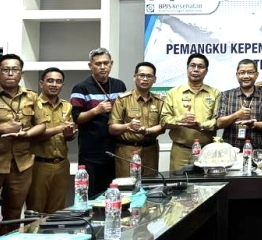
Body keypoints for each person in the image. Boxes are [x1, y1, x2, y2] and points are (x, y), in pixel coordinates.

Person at [0, 54, 44, 220]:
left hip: (22, 164)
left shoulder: (33, 97)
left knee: (14, 213)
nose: (11, 73)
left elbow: (41, 124)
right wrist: (1, 128)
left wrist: (26, 134)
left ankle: (9, 238)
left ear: (22, 74)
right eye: (5, 70)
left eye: (15, 69)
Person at [70, 48, 127, 198]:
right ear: (90, 66)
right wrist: (96, 110)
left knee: (113, 193)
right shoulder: (81, 88)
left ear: (111, 64)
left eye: (106, 63)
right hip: (91, 151)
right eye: (98, 64)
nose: (102, 67)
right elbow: (76, 118)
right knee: (91, 195)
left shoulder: (119, 85)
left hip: (115, 149)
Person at [27, 68, 77, 213]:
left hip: (61, 164)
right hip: (39, 164)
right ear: (41, 83)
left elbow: (68, 137)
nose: (54, 84)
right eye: (50, 81)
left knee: (57, 211)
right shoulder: (32, 104)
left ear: (62, 85)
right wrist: (59, 128)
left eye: (58, 81)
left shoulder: (67, 106)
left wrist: (69, 134)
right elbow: (33, 135)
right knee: (35, 210)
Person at [161, 53, 221, 171]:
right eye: (192, 65)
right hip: (181, 151)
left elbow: (218, 121)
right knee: (178, 181)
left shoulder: (215, 93)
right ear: (187, 68)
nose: (196, 69)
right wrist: (180, 120)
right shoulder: (173, 93)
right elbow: (163, 120)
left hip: (206, 151)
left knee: (206, 182)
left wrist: (201, 125)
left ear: (206, 71)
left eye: (200, 66)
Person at [109, 62, 165, 179]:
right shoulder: (123, 99)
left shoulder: (159, 101)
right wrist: (127, 126)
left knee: (150, 185)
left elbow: (163, 126)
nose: (145, 79)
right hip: (127, 151)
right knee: (127, 186)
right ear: (134, 77)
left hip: (150, 151)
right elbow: (112, 128)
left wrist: (147, 131)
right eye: (141, 75)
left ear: (154, 79)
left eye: (149, 76)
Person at [217, 59, 262, 152]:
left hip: (257, 151)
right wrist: (236, 115)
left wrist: (253, 124)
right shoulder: (226, 95)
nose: (246, 76)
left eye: (250, 72)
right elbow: (219, 123)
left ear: (256, 75)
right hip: (231, 151)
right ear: (237, 75)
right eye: (242, 73)